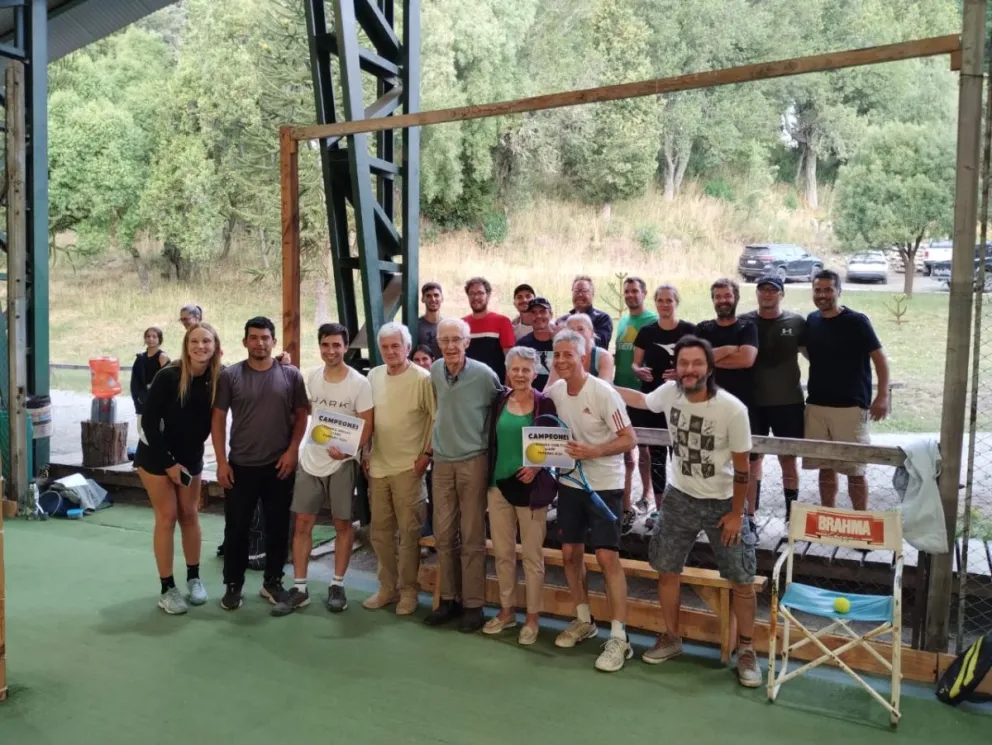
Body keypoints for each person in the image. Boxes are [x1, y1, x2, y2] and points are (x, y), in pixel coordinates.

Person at [616, 336, 761, 688]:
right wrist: (601, 385)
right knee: (667, 569)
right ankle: (672, 636)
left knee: (742, 578)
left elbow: (744, 469)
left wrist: (737, 514)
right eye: (684, 363)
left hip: (724, 502)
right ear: (676, 368)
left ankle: (747, 650)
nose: (690, 370)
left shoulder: (732, 409)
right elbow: (640, 400)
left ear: (709, 367)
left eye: (697, 363)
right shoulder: (669, 393)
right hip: (679, 498)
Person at [545, 328, 637, 673]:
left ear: (584, 358)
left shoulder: (603, 393)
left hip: (605, 487)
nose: (562, 360)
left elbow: (629, 438)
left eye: (569, 354)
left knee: (606, 558)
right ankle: (584, 620)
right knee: (570, 554)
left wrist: (595, 450)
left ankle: (619, 637)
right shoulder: (553, 393)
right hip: (569, 485)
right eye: (557, 355)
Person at [272, 323, 374, 617]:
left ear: (345, 347)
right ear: (320, 347)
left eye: (336, 345)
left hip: (342, 463)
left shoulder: (359, 383)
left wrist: (349, 450)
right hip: (311, 461)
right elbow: (302, 413)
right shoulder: (311, 378)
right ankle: (300, 588)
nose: (331, 351)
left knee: (343, 525)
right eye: (325, 345)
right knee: (302, 524)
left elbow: (368, 423)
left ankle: (337, 585)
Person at [211, 316, 310, 611]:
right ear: (244, 342)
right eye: (253, 338)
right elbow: (218, 419)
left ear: (274, 342)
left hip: (279, 465)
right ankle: (233, 584)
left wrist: (293, 450)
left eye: (265, 337)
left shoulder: (291, 375)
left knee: (278, 527)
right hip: (240, 465)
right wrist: (220, 461)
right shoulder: (230, 376)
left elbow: (302, 414)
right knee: (236, 528)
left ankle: (272, 582)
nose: (259, 343)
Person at [133, 323, 222, 614]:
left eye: (206, 341)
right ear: (186, 345)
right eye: (194, 341)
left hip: (191, 458)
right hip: (156, 455)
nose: (200, 346)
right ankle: (167, 588)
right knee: (167, 516)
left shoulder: (218, 377)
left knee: (189, 514)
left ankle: (194, 578)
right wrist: (170, 464)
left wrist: (283, 360)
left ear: (215, 345)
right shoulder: (168, 377)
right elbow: (148, 423)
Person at [425, 317, 502, 632]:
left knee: (471, 536)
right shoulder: (433, 372)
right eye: (445, 340)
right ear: (438, 343)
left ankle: (473, 605)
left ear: (467, 342)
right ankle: (448, 599)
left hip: (473, 461)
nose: (451, 346)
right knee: (444, 535)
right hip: (442, 462)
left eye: (457, 339)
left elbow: (502, 411)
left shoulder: (485, 376)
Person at [483, 346, 557, 645]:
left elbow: (553, 446)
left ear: (535, 371)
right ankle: (507, 610)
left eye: (526, 369)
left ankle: (533, 617)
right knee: (502, 553)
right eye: (515, 369)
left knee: (532, 556)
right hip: (497, 487)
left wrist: (537, 467)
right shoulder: (498, 401)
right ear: (507, 371)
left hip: (530, 490)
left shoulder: (544, 404)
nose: (520, 374)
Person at [362, 322, 436, 614]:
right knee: (380, 533)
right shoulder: (373, 375)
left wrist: (426, 456)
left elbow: (436, 419)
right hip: (378, 467)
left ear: (407, 347)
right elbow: (367, 418)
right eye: (385, 347)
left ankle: (408, 592)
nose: (391, 351)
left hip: (409, 468)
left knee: (408, 535)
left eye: (396, 346)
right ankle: (387, 588)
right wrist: (365, 451)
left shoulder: (423, 379)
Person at [803, 269, 890, 511]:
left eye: (828, 289)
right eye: (818, 290)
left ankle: (860, 520)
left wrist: (882, 396)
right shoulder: (812, 320)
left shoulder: (856, 321)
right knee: (825, 467)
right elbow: (812, 353)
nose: (822, 295)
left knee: (854, 470)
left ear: (838, 291)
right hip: (817, 405)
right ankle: (829, 516)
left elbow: (880, 359)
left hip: (851, 407)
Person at [740, 275, 806, 523]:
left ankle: (793, 515)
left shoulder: (797, 322)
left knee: (788, 459)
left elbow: (814, 355)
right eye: (762, 290)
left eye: (772, 290)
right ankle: (750, 516)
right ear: (757, 294)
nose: (767, 294)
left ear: (782, 294)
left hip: (788, 403)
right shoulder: (745, 322)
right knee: (752, 460)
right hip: (752, 404)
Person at [632, 284, 696, 512]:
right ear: (655, 303)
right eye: (661, 300)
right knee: (657, 457)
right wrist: (638, 371)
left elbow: (701, 365)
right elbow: (635, 363)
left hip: (683, 401)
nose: (665, 304)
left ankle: (687, 510)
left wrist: (682, 374)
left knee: (682, 456)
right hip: (653, 403)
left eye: (669, 300)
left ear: (676, 303)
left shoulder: (689, 330)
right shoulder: (647, 332)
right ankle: (660, 510)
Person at [613, 277, 658, 526]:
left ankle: (646, 495)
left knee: (644, 446)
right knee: (625, 446)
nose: (630, 295)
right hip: (620, 392)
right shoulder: (623, 322)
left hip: (640, 392)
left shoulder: (651, 321)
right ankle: (626, 496)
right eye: (627, 291)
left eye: (635, 291)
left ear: (644, 293)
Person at [463, 276, 515, 382]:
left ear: (488, 295)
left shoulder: (502, 321)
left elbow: (510, 360)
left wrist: (507, 389)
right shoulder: (462, 324)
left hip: (495, 386)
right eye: (472, 293)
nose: (476, 297)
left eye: (480, 293)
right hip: (468, 385)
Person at [545, 314, 614, 387]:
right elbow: (551, 385)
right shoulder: (560, 356)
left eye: (581, 329)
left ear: (591, 332)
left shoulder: (603, 356)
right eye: (571, 330)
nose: (576, 333)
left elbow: (604, 388)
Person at [130, 327, 170, 435]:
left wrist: (151, 387)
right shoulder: (140, 358)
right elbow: (135, 380)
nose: (151, 339)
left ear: (159, 339)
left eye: (154, 336)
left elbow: (165, 379)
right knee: (142, 430)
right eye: (148, 336)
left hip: (157, 399)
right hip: (142, 398)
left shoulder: (162, 357)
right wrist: (138, 396)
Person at [557, 275, 613, 348]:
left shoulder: (602, 319)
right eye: (576, 291)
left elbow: (601, 344)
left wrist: (567, 333)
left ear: (592, 294)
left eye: (584, 291)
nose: (580, 295)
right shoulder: (563, 320)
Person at [517, 297, 555, 391]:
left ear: (550, 314)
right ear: (529, 317)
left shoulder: (561, 343)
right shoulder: (522, 345)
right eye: (533, 312)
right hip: (532, 398)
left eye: (542, 311)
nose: (538, 316)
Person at [418, 282, 443, 358]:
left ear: (442, 298)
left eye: (436, 295)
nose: (433, 299)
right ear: (423, 299)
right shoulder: (416, 326)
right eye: (428, 296)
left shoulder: (447, 326)